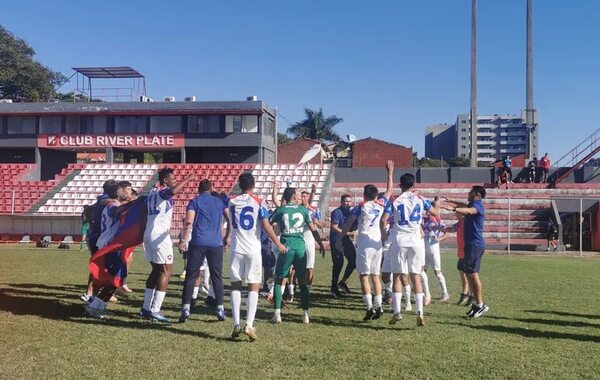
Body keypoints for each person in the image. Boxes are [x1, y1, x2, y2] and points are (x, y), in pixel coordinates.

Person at [226, 173, 286, 341]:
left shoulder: (231, 201)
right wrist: (278, 243)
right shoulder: (259, 202)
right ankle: (249, 324)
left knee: (235, 286)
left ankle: (236, 323)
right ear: (253, 185)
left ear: (239, 184)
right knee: (254, 286)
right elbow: (266, 225)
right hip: (252, 249)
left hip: (236, 249)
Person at [381, 173, 440, 327]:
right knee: (416, 275)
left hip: (400, 240)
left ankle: (396, 312)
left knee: (397, 276)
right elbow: (435, 213)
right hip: (416, 240)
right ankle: (419, 311)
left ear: (400, 185)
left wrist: (383, 233)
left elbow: (384, 219)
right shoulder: (420, 199)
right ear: (414, 185)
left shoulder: (394, 200)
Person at [337, 160, 393, 321]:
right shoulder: (381, 203)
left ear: (364, 195)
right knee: (376, 276)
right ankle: (380, 306)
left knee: (364, 276)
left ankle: (369, 307)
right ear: (376, 194)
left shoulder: (361, 206)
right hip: (377, 243)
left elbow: (348, 223)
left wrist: (341, 237)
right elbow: (389, 190)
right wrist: (389, 172)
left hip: (364, 243)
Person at [141, 168, 194, 323]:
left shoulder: (151, 191)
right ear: (165, 180)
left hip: (149, 232)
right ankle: (155, 310)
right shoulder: (162, 191)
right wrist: (188, 179)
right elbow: (171, 192)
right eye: (172, 178)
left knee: (156, 271)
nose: (174, 181)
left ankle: (146, 308)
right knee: (167, 270)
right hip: (159, 235)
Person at [269, 187, 325, 324]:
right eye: (298, 195)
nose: (299, 197)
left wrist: (276, 239)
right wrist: (321, 244)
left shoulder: (281, 210)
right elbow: (313, 229)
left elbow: (268, 223)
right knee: (302, 281)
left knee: (279, 278)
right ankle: (305, 314)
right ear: (293, 196)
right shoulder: (304, 210)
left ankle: (277, 314)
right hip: (301, 247)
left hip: (286, 246)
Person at [179, 179, 230, 322]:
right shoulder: (219, 202)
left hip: (198, 242)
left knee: (191, 275)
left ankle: (186, 307)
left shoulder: (195, 201)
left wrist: (184, 240)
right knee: (217, 276)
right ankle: (220, 307)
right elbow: (229, 219)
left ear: (198, 189)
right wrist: (227, 236)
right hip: (215, 243)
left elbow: (189, 222)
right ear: (211, 188)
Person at [442, 186, 489, 318]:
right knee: (468, 273)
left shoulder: (477, 206)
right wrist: (450, 200)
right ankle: (476, 303)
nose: (468, 193)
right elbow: (464, 205)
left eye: (470, 192)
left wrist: (452, 208)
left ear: (476, 195)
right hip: (470, 245)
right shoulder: (473, 203)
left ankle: (481, 305)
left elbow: (470, 210)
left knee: (473, 274)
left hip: (475, 244)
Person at [81, 179, 118, 302]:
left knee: (100, 266)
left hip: (96, 236)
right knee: (98, 266)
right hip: (98, 237)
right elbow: (102, 202)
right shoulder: (106, 200)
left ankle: (94, 293)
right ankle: (90, 294)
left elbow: (87, 210)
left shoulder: (101, 200)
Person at [329, 194, 357, 298]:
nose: (348, 203)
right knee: (338, 263)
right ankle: (333, 287)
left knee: (353, 261)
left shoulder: (351, 212)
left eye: (349, 201)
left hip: (345, 240)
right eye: (345, 201)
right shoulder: (337, 212)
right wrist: (349, 233)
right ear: (341, 202)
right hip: (337, 240)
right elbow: (334, 227)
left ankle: (342, 282)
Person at [421, 204, 450, 304]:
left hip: (434, 249)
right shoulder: (423, 221)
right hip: (424, 250)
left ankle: (445, 293)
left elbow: (446, 233)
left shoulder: (438, 221)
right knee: (421, 271)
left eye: (429, 211)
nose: (427, 213)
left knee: (437, 272)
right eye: (426, 211)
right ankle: (424, 293)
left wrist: (439, 239)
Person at [300, 184, 323, 290]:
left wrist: (316, 222)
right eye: (302, 196)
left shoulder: (314, 210)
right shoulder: (297, 209)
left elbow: (321, 225)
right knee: (297, 267)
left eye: (305, 196)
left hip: (309, 240)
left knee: (310, 266)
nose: (303, 198)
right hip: (299, 239)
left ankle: (308, 287)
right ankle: (294, 287)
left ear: (309, 197)